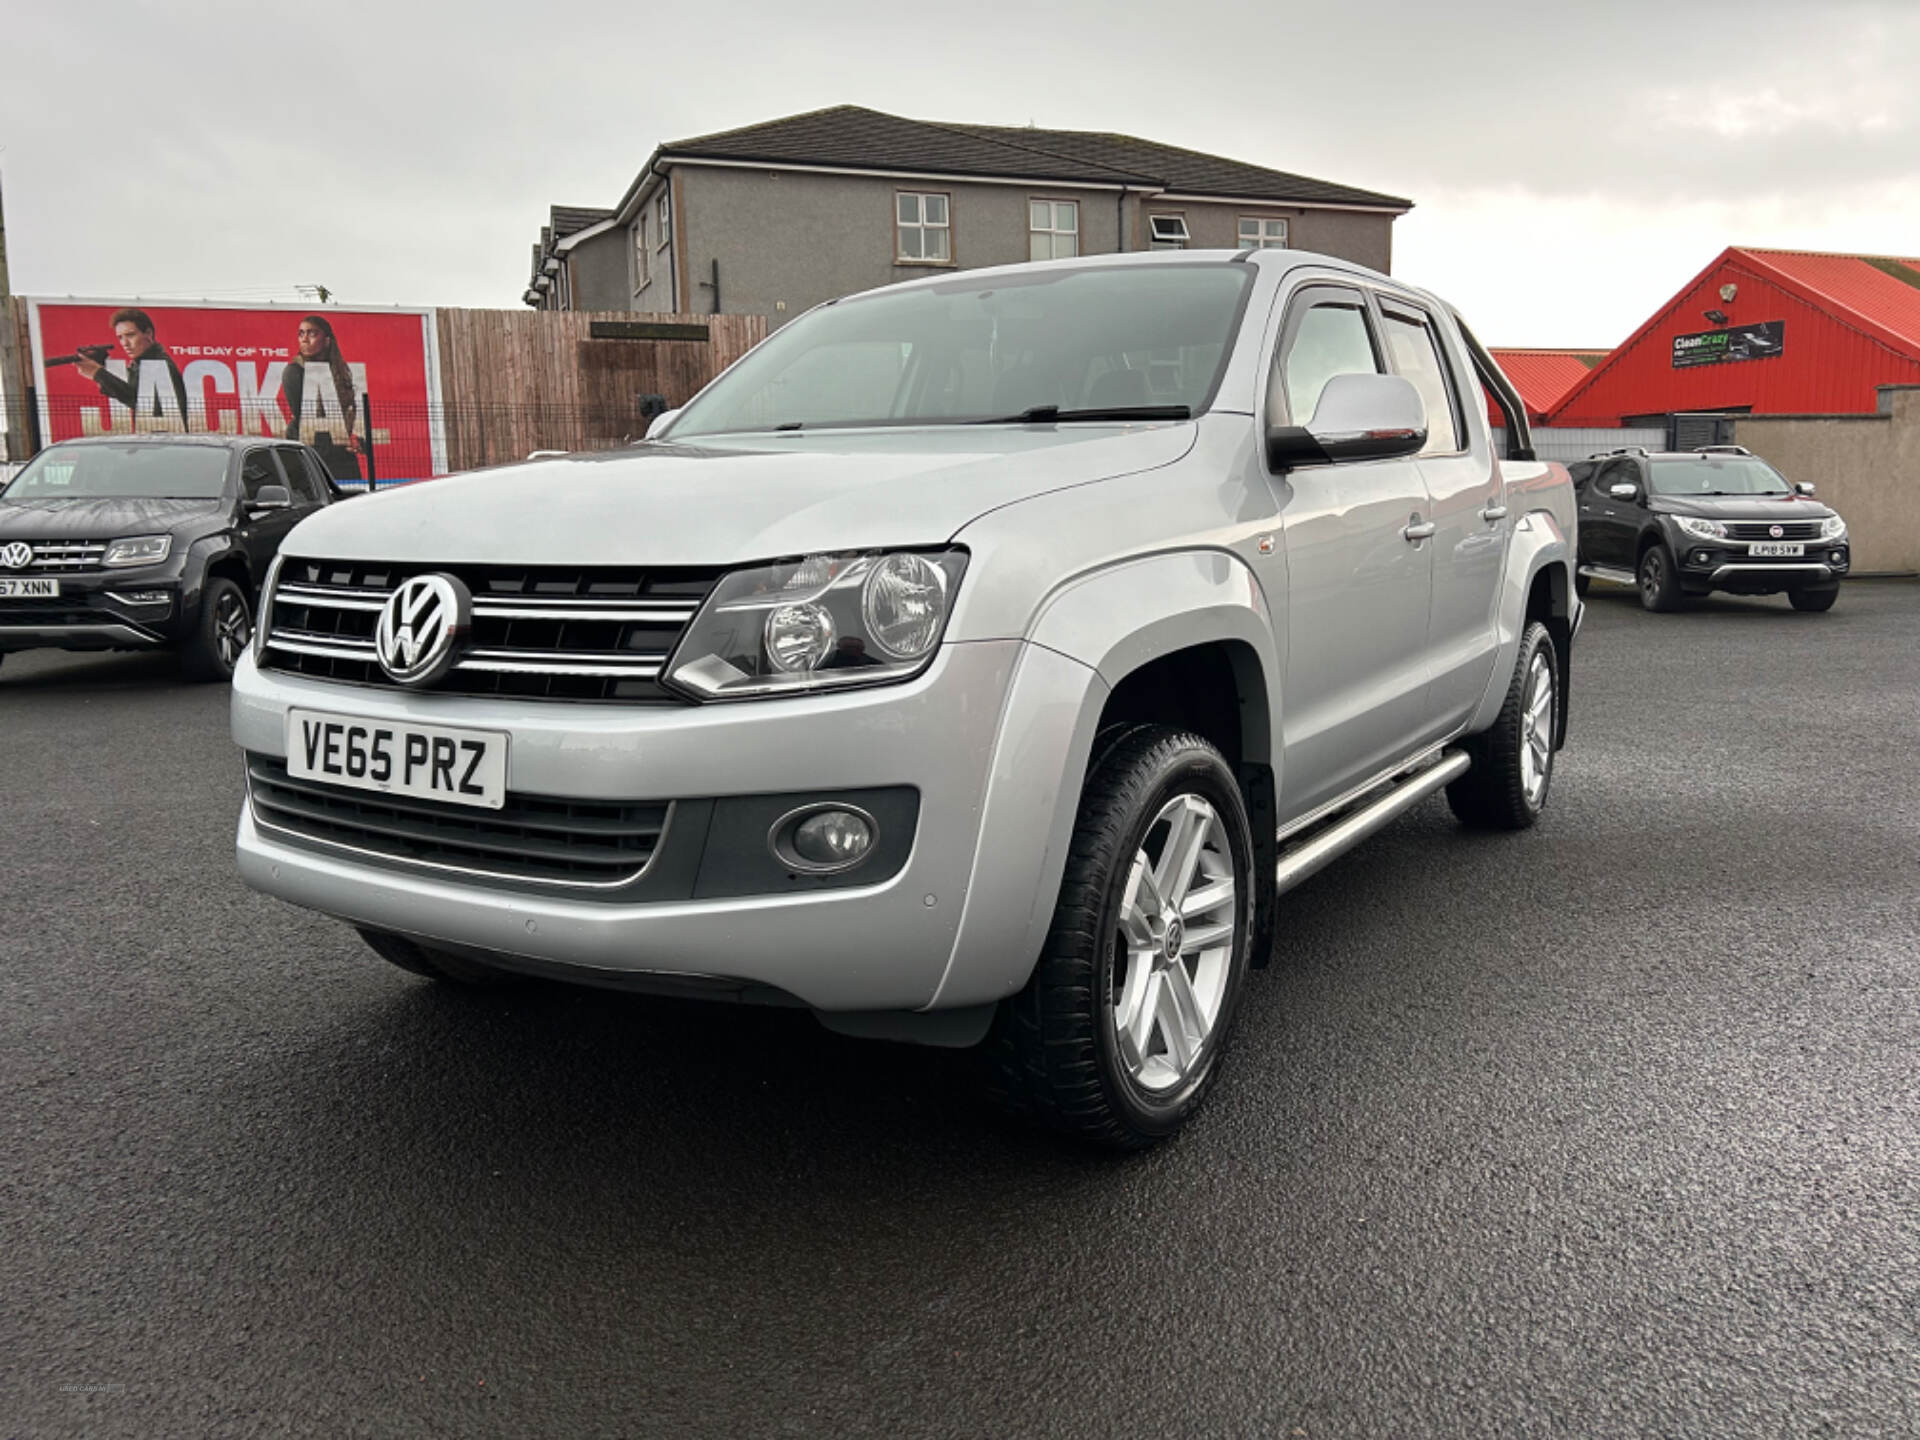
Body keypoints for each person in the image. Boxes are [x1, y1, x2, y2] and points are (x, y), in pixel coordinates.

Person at [279, 314, 363, 481]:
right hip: (309, 452)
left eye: (311, 333)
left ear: (327, 340)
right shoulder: (294, 371)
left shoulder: (341, 370)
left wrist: (358, 441)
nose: (304, 339)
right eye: (301, 333)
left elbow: (353, 411)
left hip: (340, 453)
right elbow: (304, 418)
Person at [73, 309, 191, 427]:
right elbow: (130, 385)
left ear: (148, 333)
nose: (125, 343)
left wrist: (97, 373)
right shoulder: (142, 362)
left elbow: (143, 404)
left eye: (130, 335)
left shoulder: (158, 363)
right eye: (120, 337)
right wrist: (106, 363)